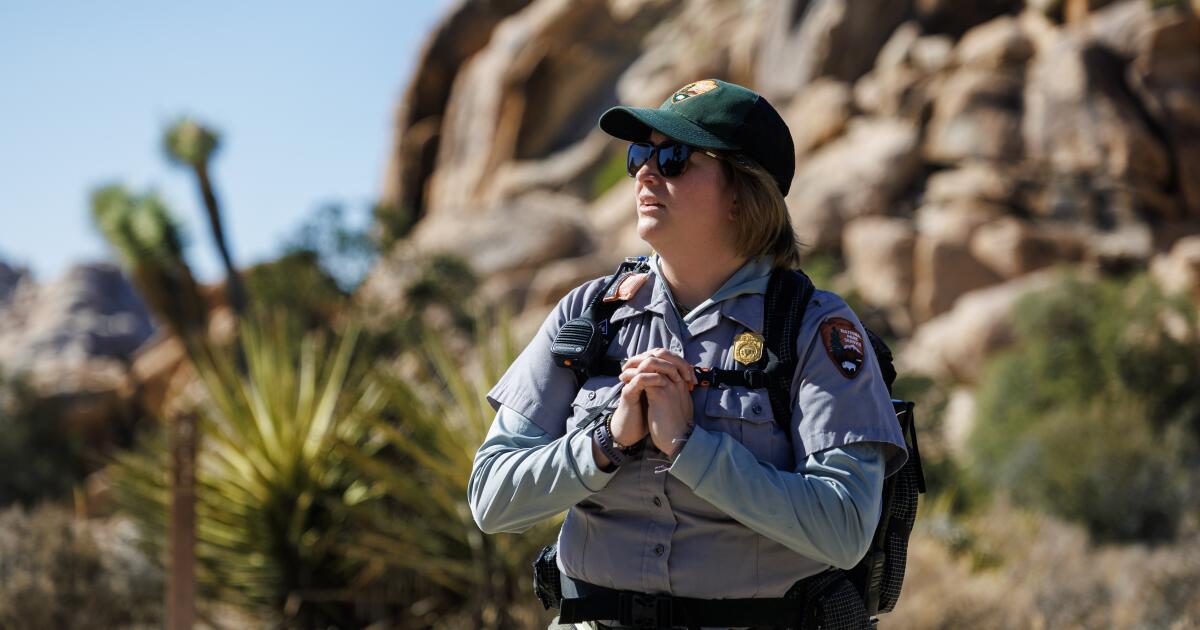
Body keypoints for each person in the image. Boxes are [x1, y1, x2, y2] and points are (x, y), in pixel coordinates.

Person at [468, 78, 908, 630]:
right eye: (639, 155)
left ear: (742, 194)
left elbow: (843, 529)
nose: (646, 173)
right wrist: (606, 442)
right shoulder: (589, 314)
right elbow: (491, 499)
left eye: (674, 158)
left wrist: (690, 448)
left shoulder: (814, 328)